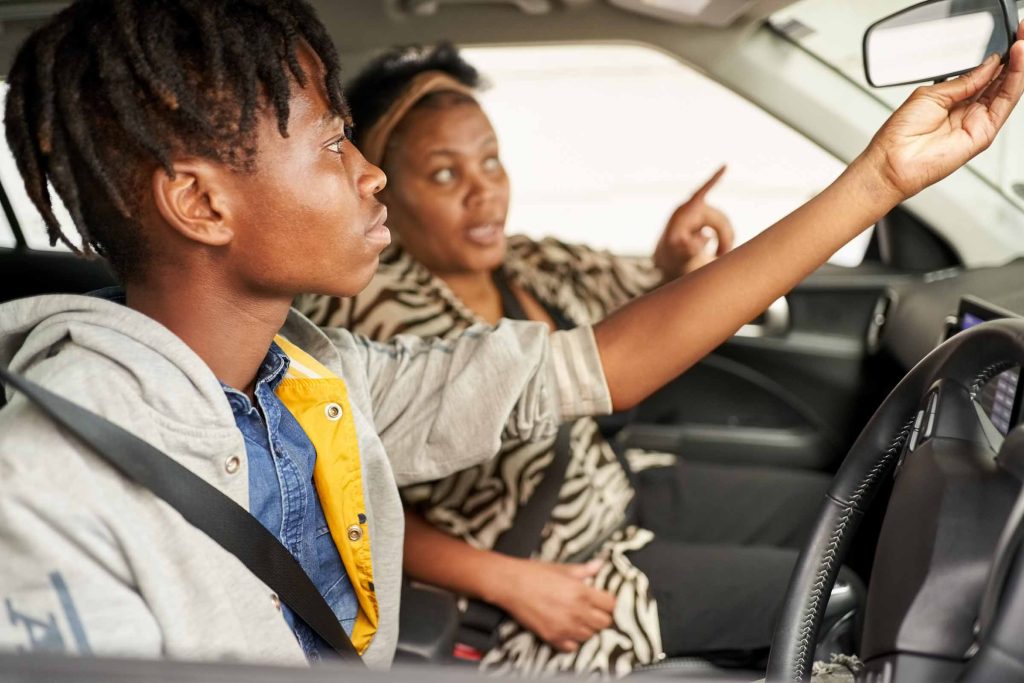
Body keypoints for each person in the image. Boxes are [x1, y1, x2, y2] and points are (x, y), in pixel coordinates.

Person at [1, 0, 1022, 674]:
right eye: (329, 142)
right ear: (199, 201)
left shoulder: (320, 382)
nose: (366, 174)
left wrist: (882, 180)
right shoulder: (42, 485)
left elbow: (608, 359)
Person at [293, 44, 836, 676]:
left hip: (611, 493)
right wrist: (508, 582)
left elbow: (636, 295)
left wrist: (672, 260)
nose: (483, 192)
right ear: (384, 184)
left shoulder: (524, 259)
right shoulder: (365, 313)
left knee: (836, 507)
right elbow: (341, 507)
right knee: (830, 593)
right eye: (444, 174)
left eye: (490, 163)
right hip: (550, 570)